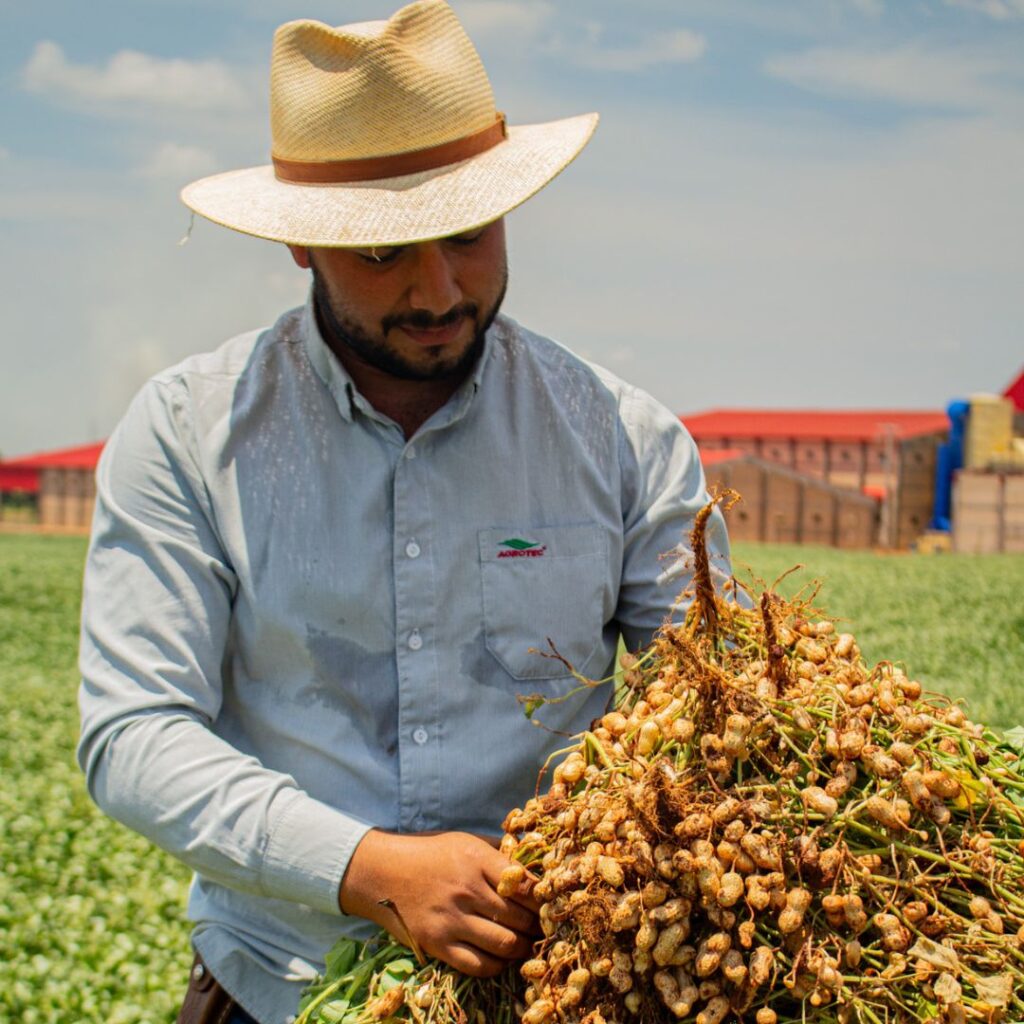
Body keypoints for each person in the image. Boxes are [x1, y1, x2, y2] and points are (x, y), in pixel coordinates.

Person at [77, 2, 731, 1023]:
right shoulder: (187, 434)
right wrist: (364, 866)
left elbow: (727, 698)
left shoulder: (618, 437)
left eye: (467, 237)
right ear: (301, 247)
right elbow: (134, 733)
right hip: (280, 982)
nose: (436, 289)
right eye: (383, 254)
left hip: (557, 983)